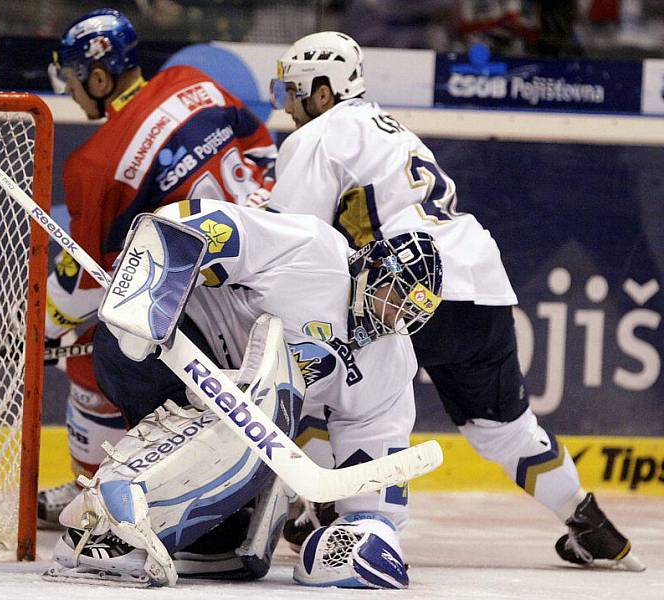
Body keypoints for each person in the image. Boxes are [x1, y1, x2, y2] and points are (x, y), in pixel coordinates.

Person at [267, 31, 644, 571]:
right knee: (504, 428)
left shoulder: (316, 136)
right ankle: (589, 523)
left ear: (323, 93)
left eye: (295, 91)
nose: (287, 104)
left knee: (311, 382)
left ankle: (331, 505)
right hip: (476, 277)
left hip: (396, 287)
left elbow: (294, 243)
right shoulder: (391, 128)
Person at [45, 198, 443, 588]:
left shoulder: (390, 362)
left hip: (240, 403)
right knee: (279, 390)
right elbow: (200, 222)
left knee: (230, 545)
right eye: (390, 296)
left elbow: (377, 451)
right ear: (371, 268)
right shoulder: (313, 249)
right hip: (165, 347)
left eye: (407, 312)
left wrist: (368, 527)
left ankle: (135, 526)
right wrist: (151, 286)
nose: (393, 316)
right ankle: (111, 524)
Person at [39, 7, 277, 526]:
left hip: (209, 313)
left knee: (93, 356)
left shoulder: (97, 163)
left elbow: (89, 284)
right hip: (275, 275)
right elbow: (264, 152)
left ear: (99, 77)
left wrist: (49, 328)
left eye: (74, 79)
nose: (71, 91)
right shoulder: (194, 82)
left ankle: (98, 491)